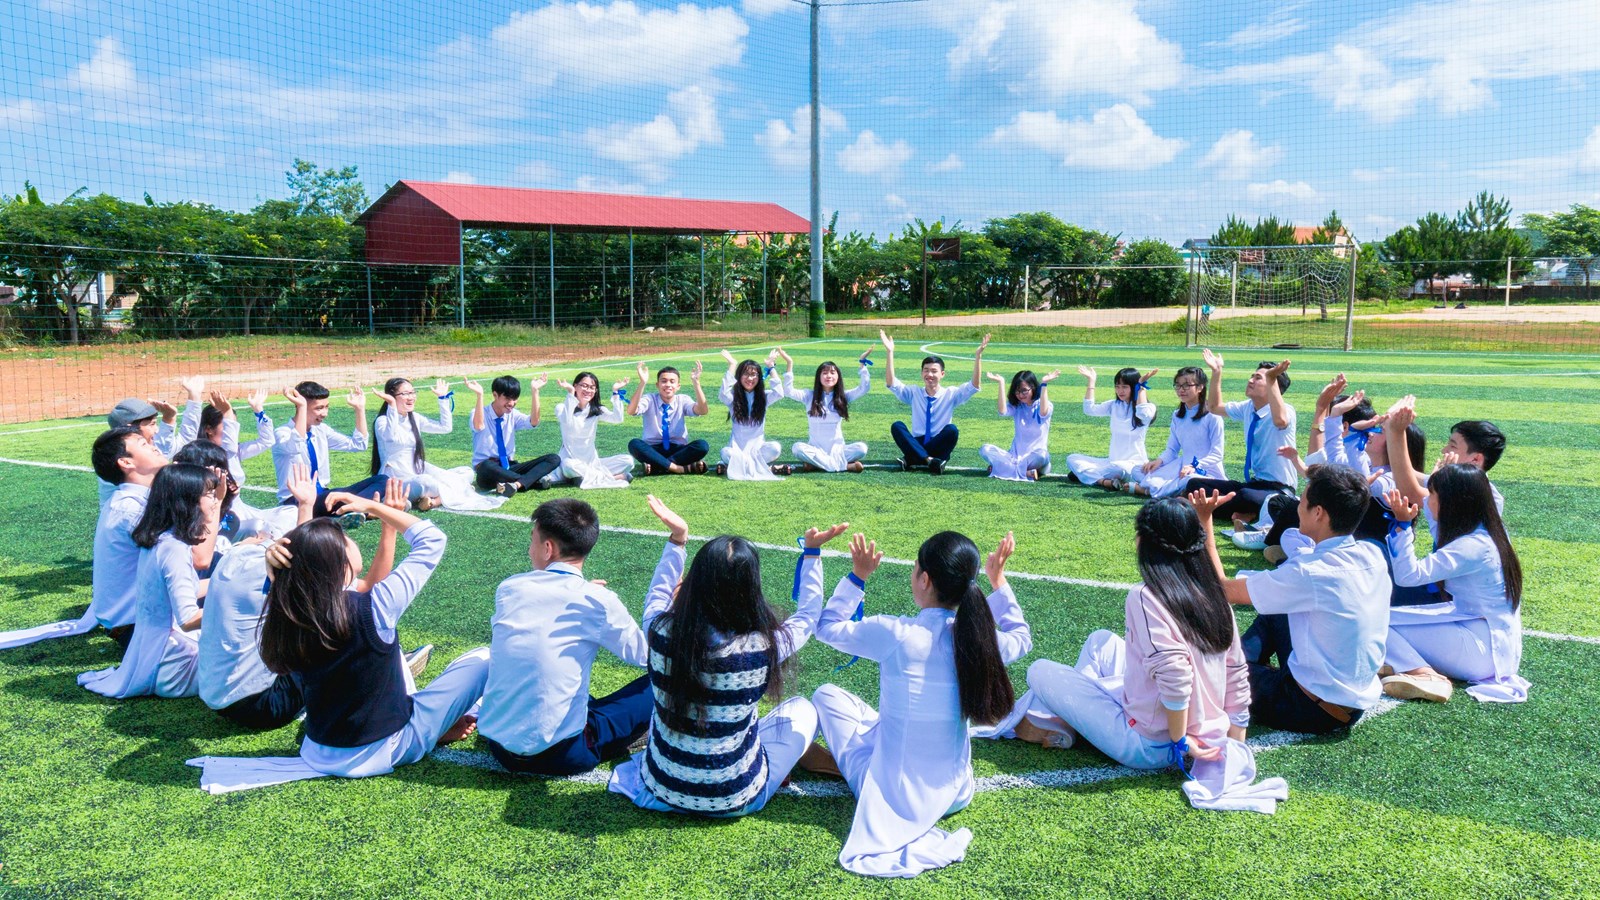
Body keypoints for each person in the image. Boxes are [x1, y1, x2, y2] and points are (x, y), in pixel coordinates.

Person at [803, 530, 1031, 878]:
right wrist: (997, 581)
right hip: (956, 791)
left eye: (914, 569)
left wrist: (858, 576)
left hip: (892, 798)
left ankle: (845, 765)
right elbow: (1022, 638)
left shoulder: (897, 634)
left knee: (825, 695)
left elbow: (825, 626)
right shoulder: (980, 641)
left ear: (925, 579)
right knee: (880, 721)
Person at [607, 498, 849, 817]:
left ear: (695, 582)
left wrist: (678, 539)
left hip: (660, 790)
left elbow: (657, 595)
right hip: (737, 797)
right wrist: (812, 554)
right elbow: (807, 615)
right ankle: (782, 761)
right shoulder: (764, 645)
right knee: (804, 709)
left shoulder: (661, 631)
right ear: (751, 588)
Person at [1003, 497, 1249, 774]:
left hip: (1150, 744)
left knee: (1039, 670)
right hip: (1192, 729)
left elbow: (1176, 674)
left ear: (1145, 543)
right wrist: (1235, 746)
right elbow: (1236, 673)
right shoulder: (1216, 596)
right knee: (1101, 641)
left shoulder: (1146, 596)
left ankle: (1068, 723)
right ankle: (1071, 722)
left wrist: (1180, 740)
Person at [253, 494, 486, 781]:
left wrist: (274, 562)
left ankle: (435, 723)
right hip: (385, 748)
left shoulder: (289, 608)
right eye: (346, 540)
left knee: (388, 647)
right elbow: (432, 540)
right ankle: (459, 727)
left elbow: (290, 580)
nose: (353, 541)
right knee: (484, 659)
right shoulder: (375, 606)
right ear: (338, 563)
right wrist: (375, 507)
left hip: (317, 748)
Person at [1196, 466, 1390, 734]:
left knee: (1208, 674)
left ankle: (1233, 667)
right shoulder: (1372, 554)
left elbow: (1223, 590)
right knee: (1276, 607)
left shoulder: (1310, 572)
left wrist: (1204, 521)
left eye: (1303, 501)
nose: (1297, 506)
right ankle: (1243, 661)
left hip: (1312, 707)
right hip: (1349, 700)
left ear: (1319, 513)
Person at [479, 498, 654, 776]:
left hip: (500, 748)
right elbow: (647, 656)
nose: (529, 549)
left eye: (532, 540)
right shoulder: (598, 601)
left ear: (548, 549)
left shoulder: (509, 588)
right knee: (662, 680)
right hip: (565, 755)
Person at [0, 426, 166, 651]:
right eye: (144, 444)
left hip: (140, 621)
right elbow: (193, 562)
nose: (154, 446)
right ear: (126, 462)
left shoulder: (133, 501)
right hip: (142, 629)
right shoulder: (131, 510)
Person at [1380, 466, 1528, 704]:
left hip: (1481, 652)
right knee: (1385, 617)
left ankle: (1424, 674)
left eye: (1433, 494)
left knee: (1375, 621)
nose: (1427, 500)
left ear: (1452, 501)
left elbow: (1408, 576)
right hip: (1489, 642)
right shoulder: (1487, 530)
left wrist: (1402, 527)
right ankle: (1393, 662)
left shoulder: (1471, 547)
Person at [78, 463, 222, 699]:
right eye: (209, 495)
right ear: (187, 502)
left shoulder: (161, 540)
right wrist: (233, 606)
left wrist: (228, 586)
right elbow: (187, 619)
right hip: (173, 668)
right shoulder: (174, 549)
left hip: (151, 654)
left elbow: (185, 590)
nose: (215, 501)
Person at [1184, 352, 1298, 538]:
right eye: (1252, 375)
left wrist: (1271, 379)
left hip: (1278, 490)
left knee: (1245, 495)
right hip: (1255, 484)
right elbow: (1214, 408)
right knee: (1195, 484)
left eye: (1258, 378)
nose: (1250, 380)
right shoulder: (1248, 407)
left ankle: (1221, 509)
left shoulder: (1286, 410)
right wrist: (1217, 371)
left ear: (1272, 386)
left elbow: (1280, 421)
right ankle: (1245, 513)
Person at [882, 330, 988, 474]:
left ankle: (913, 458)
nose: (929, 374)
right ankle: (929, 461)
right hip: (918, 441)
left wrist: (978, 356)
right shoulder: (914, 392)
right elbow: (891, 383)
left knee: (952, 430)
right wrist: (890, 352)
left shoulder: (950, 394)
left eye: (934, 371)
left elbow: (974, 386)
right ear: (921, 373)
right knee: (897, 426)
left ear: (942, 374)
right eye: (926, 370)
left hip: (940, 444)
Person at [271, 381, 383, 518]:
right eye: (319, 408)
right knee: (336, 499)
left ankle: (356, 509)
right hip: (297, 501)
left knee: (383, 480)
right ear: (301, 406)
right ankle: (362, 509)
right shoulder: (282, 433)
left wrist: (359, 409)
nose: (325, 413)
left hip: (324, 495)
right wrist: (301, 407)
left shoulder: (321, 430)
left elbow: (358, 444)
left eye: (326, 407)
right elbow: (296, 445)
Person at [1128, 367, 1225, 499]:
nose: (1181, 390)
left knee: (1191, 481)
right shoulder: (1177, 416)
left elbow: (1217, 454)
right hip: (1182, 467)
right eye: (1178, 385)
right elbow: (1172, 449)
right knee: (1138, 470)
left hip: (1204, 470)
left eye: (1186, 385)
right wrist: (1159, 461)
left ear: (1200, 387)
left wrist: (1195, 465)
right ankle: (1171, 491)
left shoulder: (1213, 416)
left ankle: (1148, 490)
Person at [1064, 366, 1158, 489]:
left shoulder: (1148, 407)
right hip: (1111, 461)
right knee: (1072, 458)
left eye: (1124, 387)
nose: (1120, 391)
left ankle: (1087, 475)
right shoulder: (1114, 405)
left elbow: (1143, 413)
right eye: (1117, 386)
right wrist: (1091, 381)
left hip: (1132, 465)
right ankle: (1104, 481)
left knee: (1117, 469)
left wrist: (1141, 387)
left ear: (1133, 387)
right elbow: (1089, 410)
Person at [468, 375, 561, 496]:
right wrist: (480, 395)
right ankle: (532, 480)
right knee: (486, 466)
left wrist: (535, 391)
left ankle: (515, 485)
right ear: (495, 395)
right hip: (488, 472)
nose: (512, 403)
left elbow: (534, 422)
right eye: (507, 398)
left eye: (515, 398)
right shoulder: (478, 412)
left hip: (509, 466)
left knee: (554, 458)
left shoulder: (513, 415)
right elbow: (479, 426)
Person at [371, 377, 454, 509]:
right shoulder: (383, 421)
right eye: (405, 394)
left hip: (417, 469)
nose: (411, 397)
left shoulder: (414, 417)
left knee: (465, 473)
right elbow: (392, 438)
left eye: (412, 392)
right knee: (426, 482)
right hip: (396, 480)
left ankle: (430, 501)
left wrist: (442, 399)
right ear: (390, 397)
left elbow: (445, 428)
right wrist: (392, 406)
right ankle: (427, 499)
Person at [786, 351, 873, 473]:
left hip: (838, 450)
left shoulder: (843, 397)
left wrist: (862, 364)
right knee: (797, 448)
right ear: (819, 377)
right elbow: (788, 391)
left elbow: (864, 388)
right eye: (825, 373)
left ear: (838, 377)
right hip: (815, 450)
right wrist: (790, 364)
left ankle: (817, 465)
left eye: (833, 373)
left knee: (862, 448)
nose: (829, 376)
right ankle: (846, 467)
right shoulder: (809, 396)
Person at [715, 348, 792, 480]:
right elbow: (723, 394)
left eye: (754, 374)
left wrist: (770, 367)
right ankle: (768, 469)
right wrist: (732, 365)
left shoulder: (763, 397)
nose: (750, 378)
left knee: (775, 448)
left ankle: (735, 466)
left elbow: (779, 393)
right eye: (746, 374)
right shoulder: (733, 398)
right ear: (739, 376)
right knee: (725, 452)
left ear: (759, 377)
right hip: (736, 450)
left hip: (758, 451)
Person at [626, 361, 710, 475]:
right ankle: (679, 468)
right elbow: (631, 411)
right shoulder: (650, 399)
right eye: (663, 381)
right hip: (653, 449)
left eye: (672, 381)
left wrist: (696, 382)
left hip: (678, 450)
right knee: (634, 444)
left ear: (678, 386)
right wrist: (642, 383)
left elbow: (703, 410)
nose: (668, 385)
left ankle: (658, 466)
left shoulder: (682, 399)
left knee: (702, 445)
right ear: (657, 385)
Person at [553, 371, 634, 489]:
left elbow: (618, 419)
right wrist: (570, 393)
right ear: (575, 386)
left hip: (593, 463)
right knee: (567, 465)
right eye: (584, 386)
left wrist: (615, 391)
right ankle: (614, 478)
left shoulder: (596, 410)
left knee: (628, 461)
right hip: (572, 461)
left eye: (592, 387)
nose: (588, 390)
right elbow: (566, 421)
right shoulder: (561, 408)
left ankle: (582, 478)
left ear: (596, 391)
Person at [979, 368, 1059, 481]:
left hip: (1035, 457)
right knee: (985, 449)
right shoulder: (1017, 406)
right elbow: (1002, 411)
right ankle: (1026, 473)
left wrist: (1044, 384)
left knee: (1042, 455)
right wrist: (1001, 383)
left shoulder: (1043, 405)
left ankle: (1003, 469)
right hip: (1014, 457)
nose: (1020, 395)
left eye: (1024, 391)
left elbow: (1043, 413)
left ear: (1033, 388)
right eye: (1017, 391)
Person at [98, 396, 179, 506]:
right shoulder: (121, 458)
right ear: (130, 429)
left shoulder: (121, 452)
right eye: (152, 424)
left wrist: (169, 418)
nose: (157, 430)